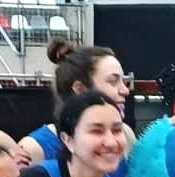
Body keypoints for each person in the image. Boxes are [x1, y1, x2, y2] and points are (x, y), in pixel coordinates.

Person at [18, 39, 133, 168]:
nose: (125, 90)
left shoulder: (125, 135)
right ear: (80, 89)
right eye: (113, 81)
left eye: (124, 81)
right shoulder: (33, 149)